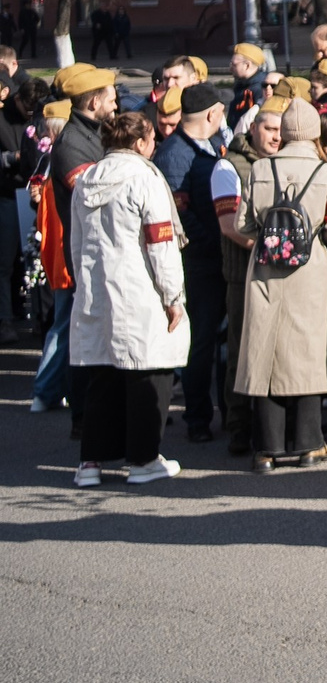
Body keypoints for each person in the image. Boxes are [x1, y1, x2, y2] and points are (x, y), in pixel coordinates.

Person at [66, 110, 190, 488]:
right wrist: (173, 295)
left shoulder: (86, 179)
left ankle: (90, 463)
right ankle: (143, 459)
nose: (155, 145)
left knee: (102, 376)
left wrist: (83, 286)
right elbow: (160, 243)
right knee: (148, 375)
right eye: (151, 139)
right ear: (139, 143)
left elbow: (75, 243)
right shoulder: (145, 179)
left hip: (96, 290)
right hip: (140, 291)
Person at [228, 99, 327, 472]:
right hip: (309, 271)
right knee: (308, 352)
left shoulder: (260, 168)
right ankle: (309, 444)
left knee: (265, 351)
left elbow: (242, 224)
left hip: (265, 267)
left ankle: (267, 448)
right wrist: (317, 237)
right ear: (314, 132)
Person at [154, 83, 231, 445]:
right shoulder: (175, 155)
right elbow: (177, 215)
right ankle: (198, 417)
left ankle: (225, 412)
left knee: (219, 339)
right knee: (200, 342)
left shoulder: (207, 146)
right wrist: (212, 242)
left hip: (212, 258)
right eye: (221, 112)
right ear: (212, 114)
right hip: (198, 262)